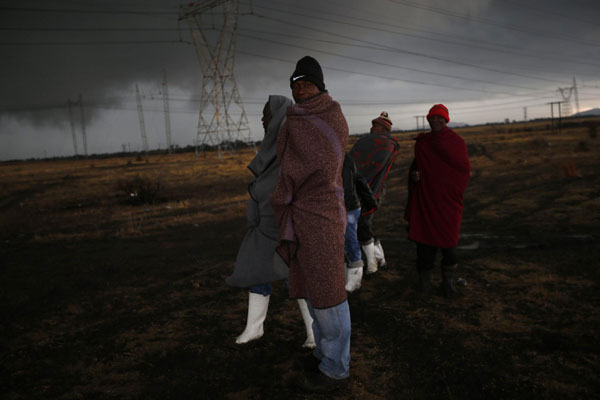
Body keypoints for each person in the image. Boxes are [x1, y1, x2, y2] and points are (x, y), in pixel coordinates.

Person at [270, 56, 350, 393]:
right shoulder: (292, 119)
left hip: (323, 215)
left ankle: (336, 368)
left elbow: (320, 163)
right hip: (300, 214)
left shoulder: (331, 116)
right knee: (312, 289)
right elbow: (286, 160)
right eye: (295, 84)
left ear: (320, 86)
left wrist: (287, 184)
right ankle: (321, 352)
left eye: (306, 83)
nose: (299, 89)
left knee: (329, 292)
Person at [226, 95, 316, 348]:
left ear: (278, 115)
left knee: (295, 277)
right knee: (256, 270)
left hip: (289, 223)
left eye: (266, 114)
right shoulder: (271, 143)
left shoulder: (295, 142)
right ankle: (254, 329)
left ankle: (314, 332)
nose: (262, 119)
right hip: (265, 224)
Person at [404, 104, 470, 298]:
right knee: (424, 245)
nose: (435, 121)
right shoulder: (423, 143)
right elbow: (416, 168)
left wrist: (452, 188)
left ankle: (447, 284)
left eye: (439, 118)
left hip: (448, 202)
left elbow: (463, 170)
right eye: (432, 118)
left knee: (449, 245)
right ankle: (425, 286)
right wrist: (415, 177)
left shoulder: (456, 142)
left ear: (446, 120)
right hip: (426, 200)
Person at [349, 111, 400, 274]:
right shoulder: (366, 142)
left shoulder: (387, 145)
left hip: (373, 190)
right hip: (359, 187)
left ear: (384, 129)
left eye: (376, 126)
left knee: (362, 223)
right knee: (363, 224)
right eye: (372, 125)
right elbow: (353, 160)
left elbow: (372, 165)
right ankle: (380, 259)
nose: (372, 128)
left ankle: (372, 265)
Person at [342, 152, 377, 293]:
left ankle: (355, 282)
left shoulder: (341, 158)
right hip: (345, 206)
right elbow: (360, 179)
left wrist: (369, 201)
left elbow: (357, 179)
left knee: (350, 242)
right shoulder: (344, 157)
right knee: (343, 243)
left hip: (348, 207)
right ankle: (347, 278)